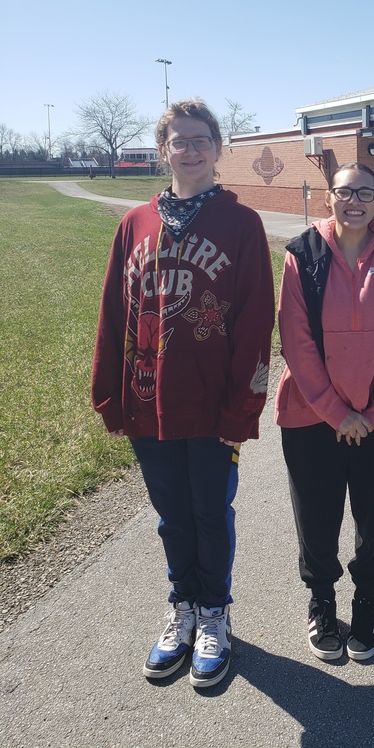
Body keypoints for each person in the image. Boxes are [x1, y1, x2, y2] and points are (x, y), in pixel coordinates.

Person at [91, 98, 274, 689]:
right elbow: (113, 311)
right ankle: (183, 608)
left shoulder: (241, 224)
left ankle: (215, 612)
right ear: (163, 150)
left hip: (213, 402)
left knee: (209, 510)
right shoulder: (135, 224)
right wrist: (109, 393)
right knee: (172, 514)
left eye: (201, 140)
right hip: (148, 397)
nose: (190, 150)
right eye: (178, 140)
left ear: (218, 150)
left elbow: (254, 322)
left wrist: (243, 406)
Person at [276, 162, 374, 662]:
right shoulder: (303, 255)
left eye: (365, 192)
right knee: (316, 517)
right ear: (328, 198)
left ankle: (367, 599)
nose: (354, 200)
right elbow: (296, 342)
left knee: (373, 516)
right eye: (345, 192)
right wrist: (336, 412)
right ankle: (322, 600)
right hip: (309, 417)